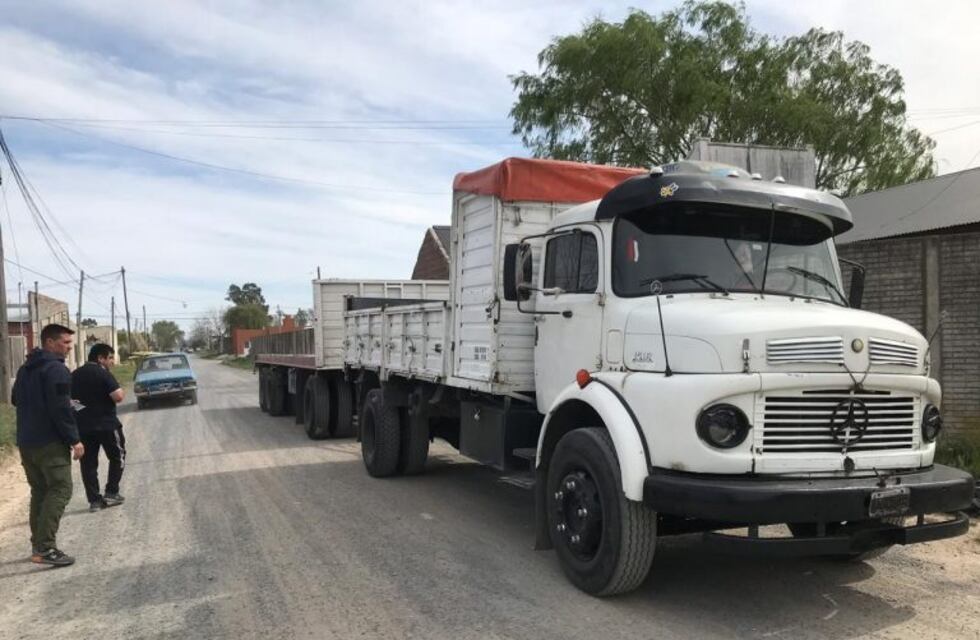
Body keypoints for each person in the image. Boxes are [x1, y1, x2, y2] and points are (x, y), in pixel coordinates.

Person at [12, 323, 84, 567]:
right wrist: (74, 439)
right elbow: (61, 409)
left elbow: (15, 399)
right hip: (50, 442)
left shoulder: (25, 369)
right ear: (50, 342)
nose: (69, 347)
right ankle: (45, 548)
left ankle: (38, 544)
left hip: (26, 441)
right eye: (66, 342)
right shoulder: (57, 369)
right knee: (61, 488)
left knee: (40, 491)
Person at [71, 343, 126, 512]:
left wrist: (84, 410)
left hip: (84, 427)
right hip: (107, 425)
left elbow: (68, 401)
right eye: (110, 358)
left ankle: (94, 501)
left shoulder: (74, 374)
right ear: (100, 358)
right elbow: (118, 396)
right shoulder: (103, 373)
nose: (112, 362)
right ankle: (111, 492)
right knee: (117, 456)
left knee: (88, 464)